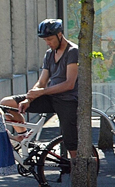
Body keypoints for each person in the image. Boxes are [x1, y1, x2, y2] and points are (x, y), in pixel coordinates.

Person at [17, 18, 80, 162]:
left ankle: (79, 172)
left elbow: (69, 84)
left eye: (50, 39)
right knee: (7, 103)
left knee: (71, 142)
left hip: (67, 100)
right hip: (50, 97)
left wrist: (42, 92)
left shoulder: (73, 51)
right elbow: (42, 81)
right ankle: (24, 138)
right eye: (45, 40)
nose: (48, 43)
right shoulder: (49, 54)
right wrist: (29, 98)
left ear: (60, 35)